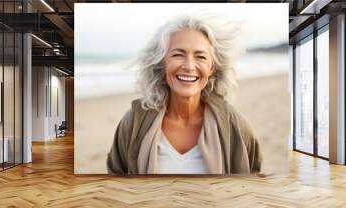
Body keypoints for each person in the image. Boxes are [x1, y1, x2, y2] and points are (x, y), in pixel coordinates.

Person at [107, 15, 262, 175]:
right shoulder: (135, 121)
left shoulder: (233, 124)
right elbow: (115, 179)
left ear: (211, 68)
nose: (189, 66)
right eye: (178, 55)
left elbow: (253, 176)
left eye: (200, 56)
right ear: (163, 63)